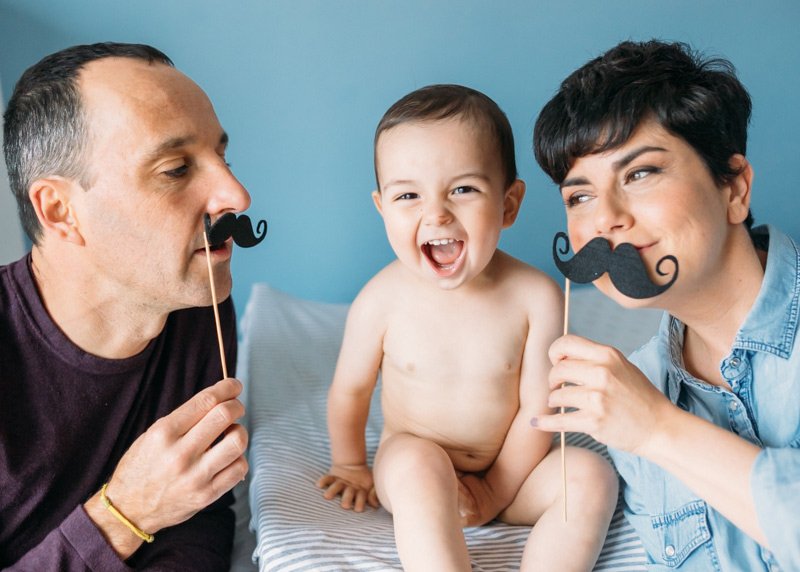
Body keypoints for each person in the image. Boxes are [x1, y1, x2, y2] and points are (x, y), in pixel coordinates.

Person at [316, 84, 618, 571]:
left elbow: (536, 410)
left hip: (512, 471)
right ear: (382, 209)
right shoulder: (380, 300)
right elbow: (349, 392)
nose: (435, 213)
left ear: (508, 204)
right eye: (408, 195)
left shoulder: (535, 296)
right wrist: (351, 464)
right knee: (418, 467)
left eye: (463, 189)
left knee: (589, 476)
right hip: (414, 468)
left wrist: (497, 488)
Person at [532, 39, 800, 571]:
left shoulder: (638, 413)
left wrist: (659, 430)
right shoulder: (637, 388)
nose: (604, 218)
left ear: (734, 189)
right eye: (579, 196)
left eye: (640, 173)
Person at [1, 42, 250, 569]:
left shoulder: (197, 303)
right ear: (61, 210)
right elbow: (153, 512)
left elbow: (201, 513)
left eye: (222, 157)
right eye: (176, 169)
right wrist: (125, 512)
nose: (236, 194)